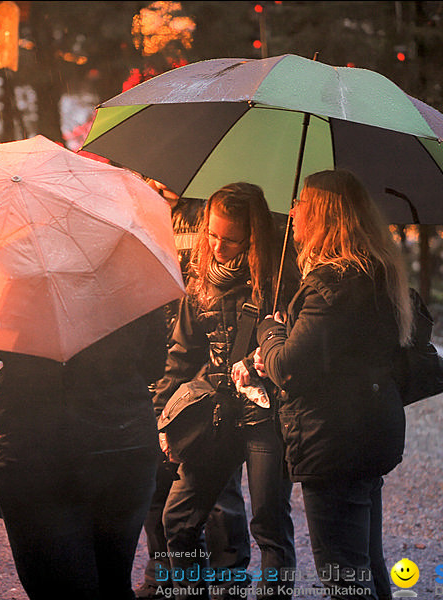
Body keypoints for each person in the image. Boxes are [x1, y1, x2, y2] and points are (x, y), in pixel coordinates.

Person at [243, 169, 412, 600]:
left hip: (337, 440)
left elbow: (288, 368)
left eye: (301, 203)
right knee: (366, 568)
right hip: (364, 430)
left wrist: (269, 329)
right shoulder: (372, 272)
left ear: (322, 215)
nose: (293, 210)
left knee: (344, 576)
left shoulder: (333, 284)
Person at [0, 307, 168, 600]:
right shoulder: (129, 267)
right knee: (112, 585)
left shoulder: (9, 266)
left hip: (38, 447)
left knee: (58, 587)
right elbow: (154, 363)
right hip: (123, 443)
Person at [153, 182, 296, 600]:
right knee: (178, 519)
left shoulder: (279, 280)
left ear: (253, 237)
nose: (218, 246)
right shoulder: (200, 280)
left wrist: (264, 350)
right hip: (216, 414)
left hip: (267, 417)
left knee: (270, 526)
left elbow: (295, 353)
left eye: (230, 239)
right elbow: (181, 352)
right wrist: (160, 415)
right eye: (212, 235)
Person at [137, 180, 251, 600]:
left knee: (219, 493)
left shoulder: (208, 207)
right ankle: (165, 576)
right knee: (163, 482)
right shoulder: (146, 209)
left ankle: (227, 580)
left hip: (212, 375)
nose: (218, 246)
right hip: (170, 352)